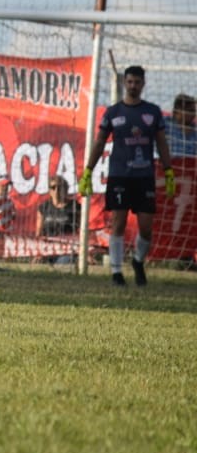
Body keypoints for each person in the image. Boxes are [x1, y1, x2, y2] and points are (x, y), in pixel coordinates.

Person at [79, 65, 175, 287]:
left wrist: (168, 171)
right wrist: (88, 171)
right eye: (129, 82)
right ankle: (116, 272)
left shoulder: (153, 112)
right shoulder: (113, 113)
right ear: (125, 83)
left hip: (144, 176)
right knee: (118, 222)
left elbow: (161, 142)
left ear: (143, 84)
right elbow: (100, 142)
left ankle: (138, 261)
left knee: (146, 226)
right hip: (119, 175)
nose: (133, 86)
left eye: (137, 82)